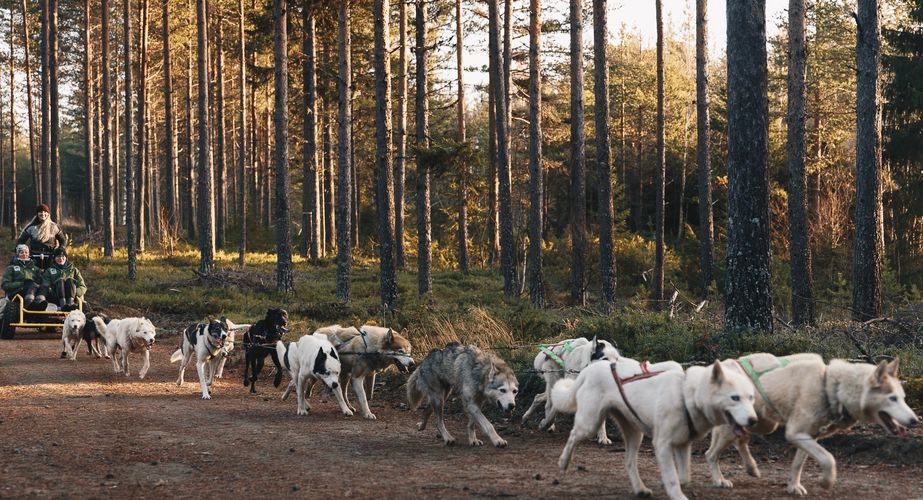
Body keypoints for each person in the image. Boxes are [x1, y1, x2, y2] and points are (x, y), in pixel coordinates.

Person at [17, 203, 66, 269]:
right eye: (40, 212)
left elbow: (62, 240)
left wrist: (60, 250)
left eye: (45, 212)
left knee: (50, 277)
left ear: (48, 214)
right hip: (34, 258)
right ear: (37, 214)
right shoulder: (31, 227)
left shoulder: (54, 227)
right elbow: (21, 241)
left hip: (50, 258)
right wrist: (23, 252)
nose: (43, 214)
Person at [36, 247, 87, 312]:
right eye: (58, 256)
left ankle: (70, 304)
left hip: (72, 297)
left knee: (70, 280)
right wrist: (54, 292)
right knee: (61, 281)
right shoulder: (49, 271)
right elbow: (45, 285)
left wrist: (74, 292)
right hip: (56, 296)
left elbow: (82, 286)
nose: (60, 258)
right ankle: (63, 305)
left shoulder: (74, 270)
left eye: (63, 256)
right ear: (54, 258)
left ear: (66, 257)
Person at [1, 244, 43, 309]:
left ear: (29, 254)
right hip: (16, 292)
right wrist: (22, 284)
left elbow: (40, 282)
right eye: (21, 252)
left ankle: (40, 304)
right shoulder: (11, 268)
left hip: (33, 291)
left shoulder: (35, 269)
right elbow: (5, 285)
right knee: (30, 283)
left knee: (41, 287)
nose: (24, 254)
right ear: (18, 254)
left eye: (26, 252)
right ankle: (29, 305)